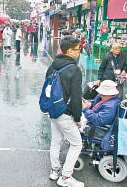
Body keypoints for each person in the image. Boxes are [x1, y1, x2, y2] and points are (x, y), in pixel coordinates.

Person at [46, 36, 84, 187]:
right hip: (65, 113)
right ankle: (66, 177)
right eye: (78, 49)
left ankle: (55, 170)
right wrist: (77, 117)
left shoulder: (53, 65)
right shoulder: (74, 69)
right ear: (69, 51)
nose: (80, 52)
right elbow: (76, 97)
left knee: (56, 140)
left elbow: (47, 88)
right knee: (76, 144)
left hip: (52, 111)